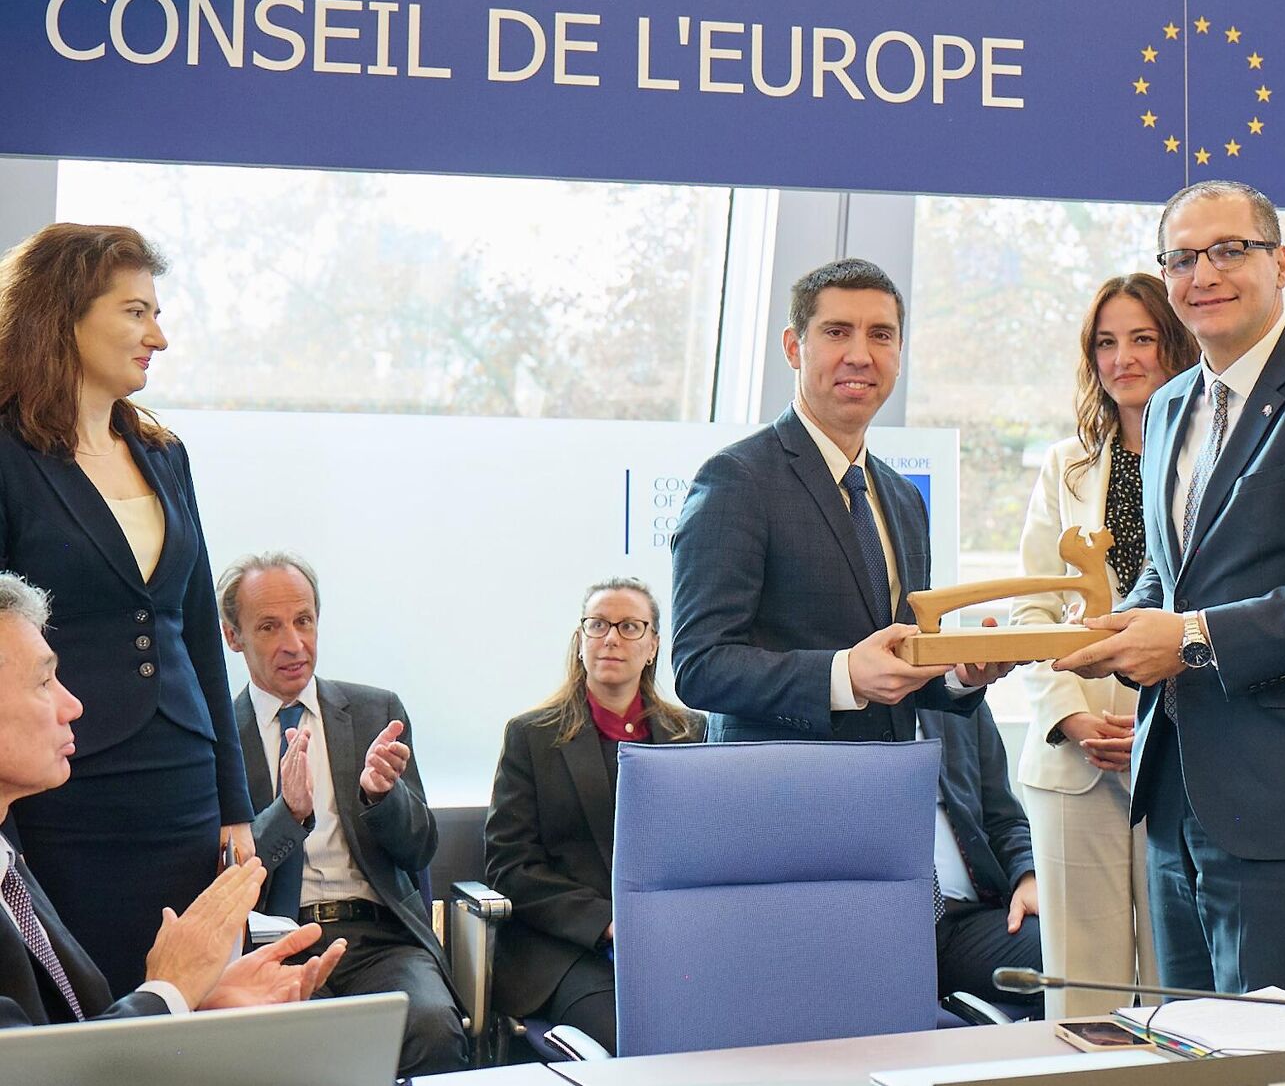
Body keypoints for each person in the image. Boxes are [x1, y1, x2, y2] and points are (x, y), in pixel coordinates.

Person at [1054, 180, 1285, 998]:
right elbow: (1170, 573)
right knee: (1190, 1045)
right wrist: (1086, 637)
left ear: (1281, 262)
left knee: (1270, 1054)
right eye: (1183, 258)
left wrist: (1192, 638)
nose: (1205, 274)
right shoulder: (1168, 405)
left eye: (1230, 249)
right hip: (1176, 795)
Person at [0, 224, 253, 995]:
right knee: (85, 1007)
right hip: (64, 796)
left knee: (194, 1000)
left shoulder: (164, 453)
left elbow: (197, 634)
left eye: (157, 314)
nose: (159, 337)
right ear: (64, 313)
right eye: (136, 311)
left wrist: (235, 804)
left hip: (183, 788)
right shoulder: (7, 453)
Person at [671, 258, 1006, 743]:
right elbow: (700, 666)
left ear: (899, 352)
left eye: (881, 335)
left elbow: (896, 666)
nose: (860, 355)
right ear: (794, 347)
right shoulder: (738, 479)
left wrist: (960, 673)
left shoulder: (904, 498)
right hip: (774, 781)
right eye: (837, 332)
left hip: (890, 778)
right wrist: (843, 675)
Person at [0, 570, 344, 1028]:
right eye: (44, 682)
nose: (74, 706)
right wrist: (170, 989)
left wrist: (200, 1004)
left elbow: (72, 1033)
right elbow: (36, 1062)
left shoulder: (12, 872)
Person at [1010, 273, 1196, 1017]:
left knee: (1178, 987)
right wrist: (1072, 716)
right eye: (1107, 343)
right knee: (1082, 992)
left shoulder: (1215, 460)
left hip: (1181, 749)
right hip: (1074, 759)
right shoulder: (1067, 464)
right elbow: (1031, 607)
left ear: (1175, 344)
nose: (1124, 359)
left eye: (1142, 338)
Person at [219, 551, 467, 1076]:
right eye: (270, 627)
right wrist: (288, 814)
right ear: (232, 636)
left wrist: (382, 796)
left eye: (304, 621)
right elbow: (222, 874)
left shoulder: (376, 711)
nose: (294, 643)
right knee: (301, 1054)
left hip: (380, 940)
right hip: (277, 944)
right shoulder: (217, 735)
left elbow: (420, 849)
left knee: (432, 1027)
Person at [487, 578, 703, 1053]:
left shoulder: (690, 733)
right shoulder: (532, 736)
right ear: (580, 640)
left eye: (630, 627)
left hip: (672, 945)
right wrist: (606, 923)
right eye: (598, 625)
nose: (611, 638)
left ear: (653, 646)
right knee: (640, 1036)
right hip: (565, 952)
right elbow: (511, 867)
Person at [918, 703, 1043, 1019]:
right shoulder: (841, 701)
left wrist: (1028, 877)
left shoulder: (958, 698)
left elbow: (1004, 818)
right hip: (879, 929)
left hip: (965, 922)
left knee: (1066, 949)